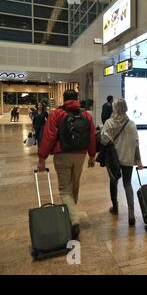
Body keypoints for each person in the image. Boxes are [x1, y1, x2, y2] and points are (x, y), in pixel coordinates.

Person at [38, 90, 96, 240]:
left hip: (62, 153)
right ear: (77, 98)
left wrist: (42, 157)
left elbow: (49, 136)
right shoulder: (87, 115)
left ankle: (74, 220)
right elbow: (91, 136)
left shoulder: (56, 114)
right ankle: (72, 215)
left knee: (65, 189)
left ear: (64, 99)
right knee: (74, 186)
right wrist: (92, 155)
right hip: (81, 155)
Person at [101, 98, 143, 226]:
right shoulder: (131, 124)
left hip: (114, 159)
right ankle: (131, 214)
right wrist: (139, 160)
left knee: (113, 182)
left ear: (114, 108)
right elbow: (136, 144)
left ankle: (115, 207)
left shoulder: (109, 123)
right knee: (127, 183)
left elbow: (103, 141)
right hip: (128, 159)